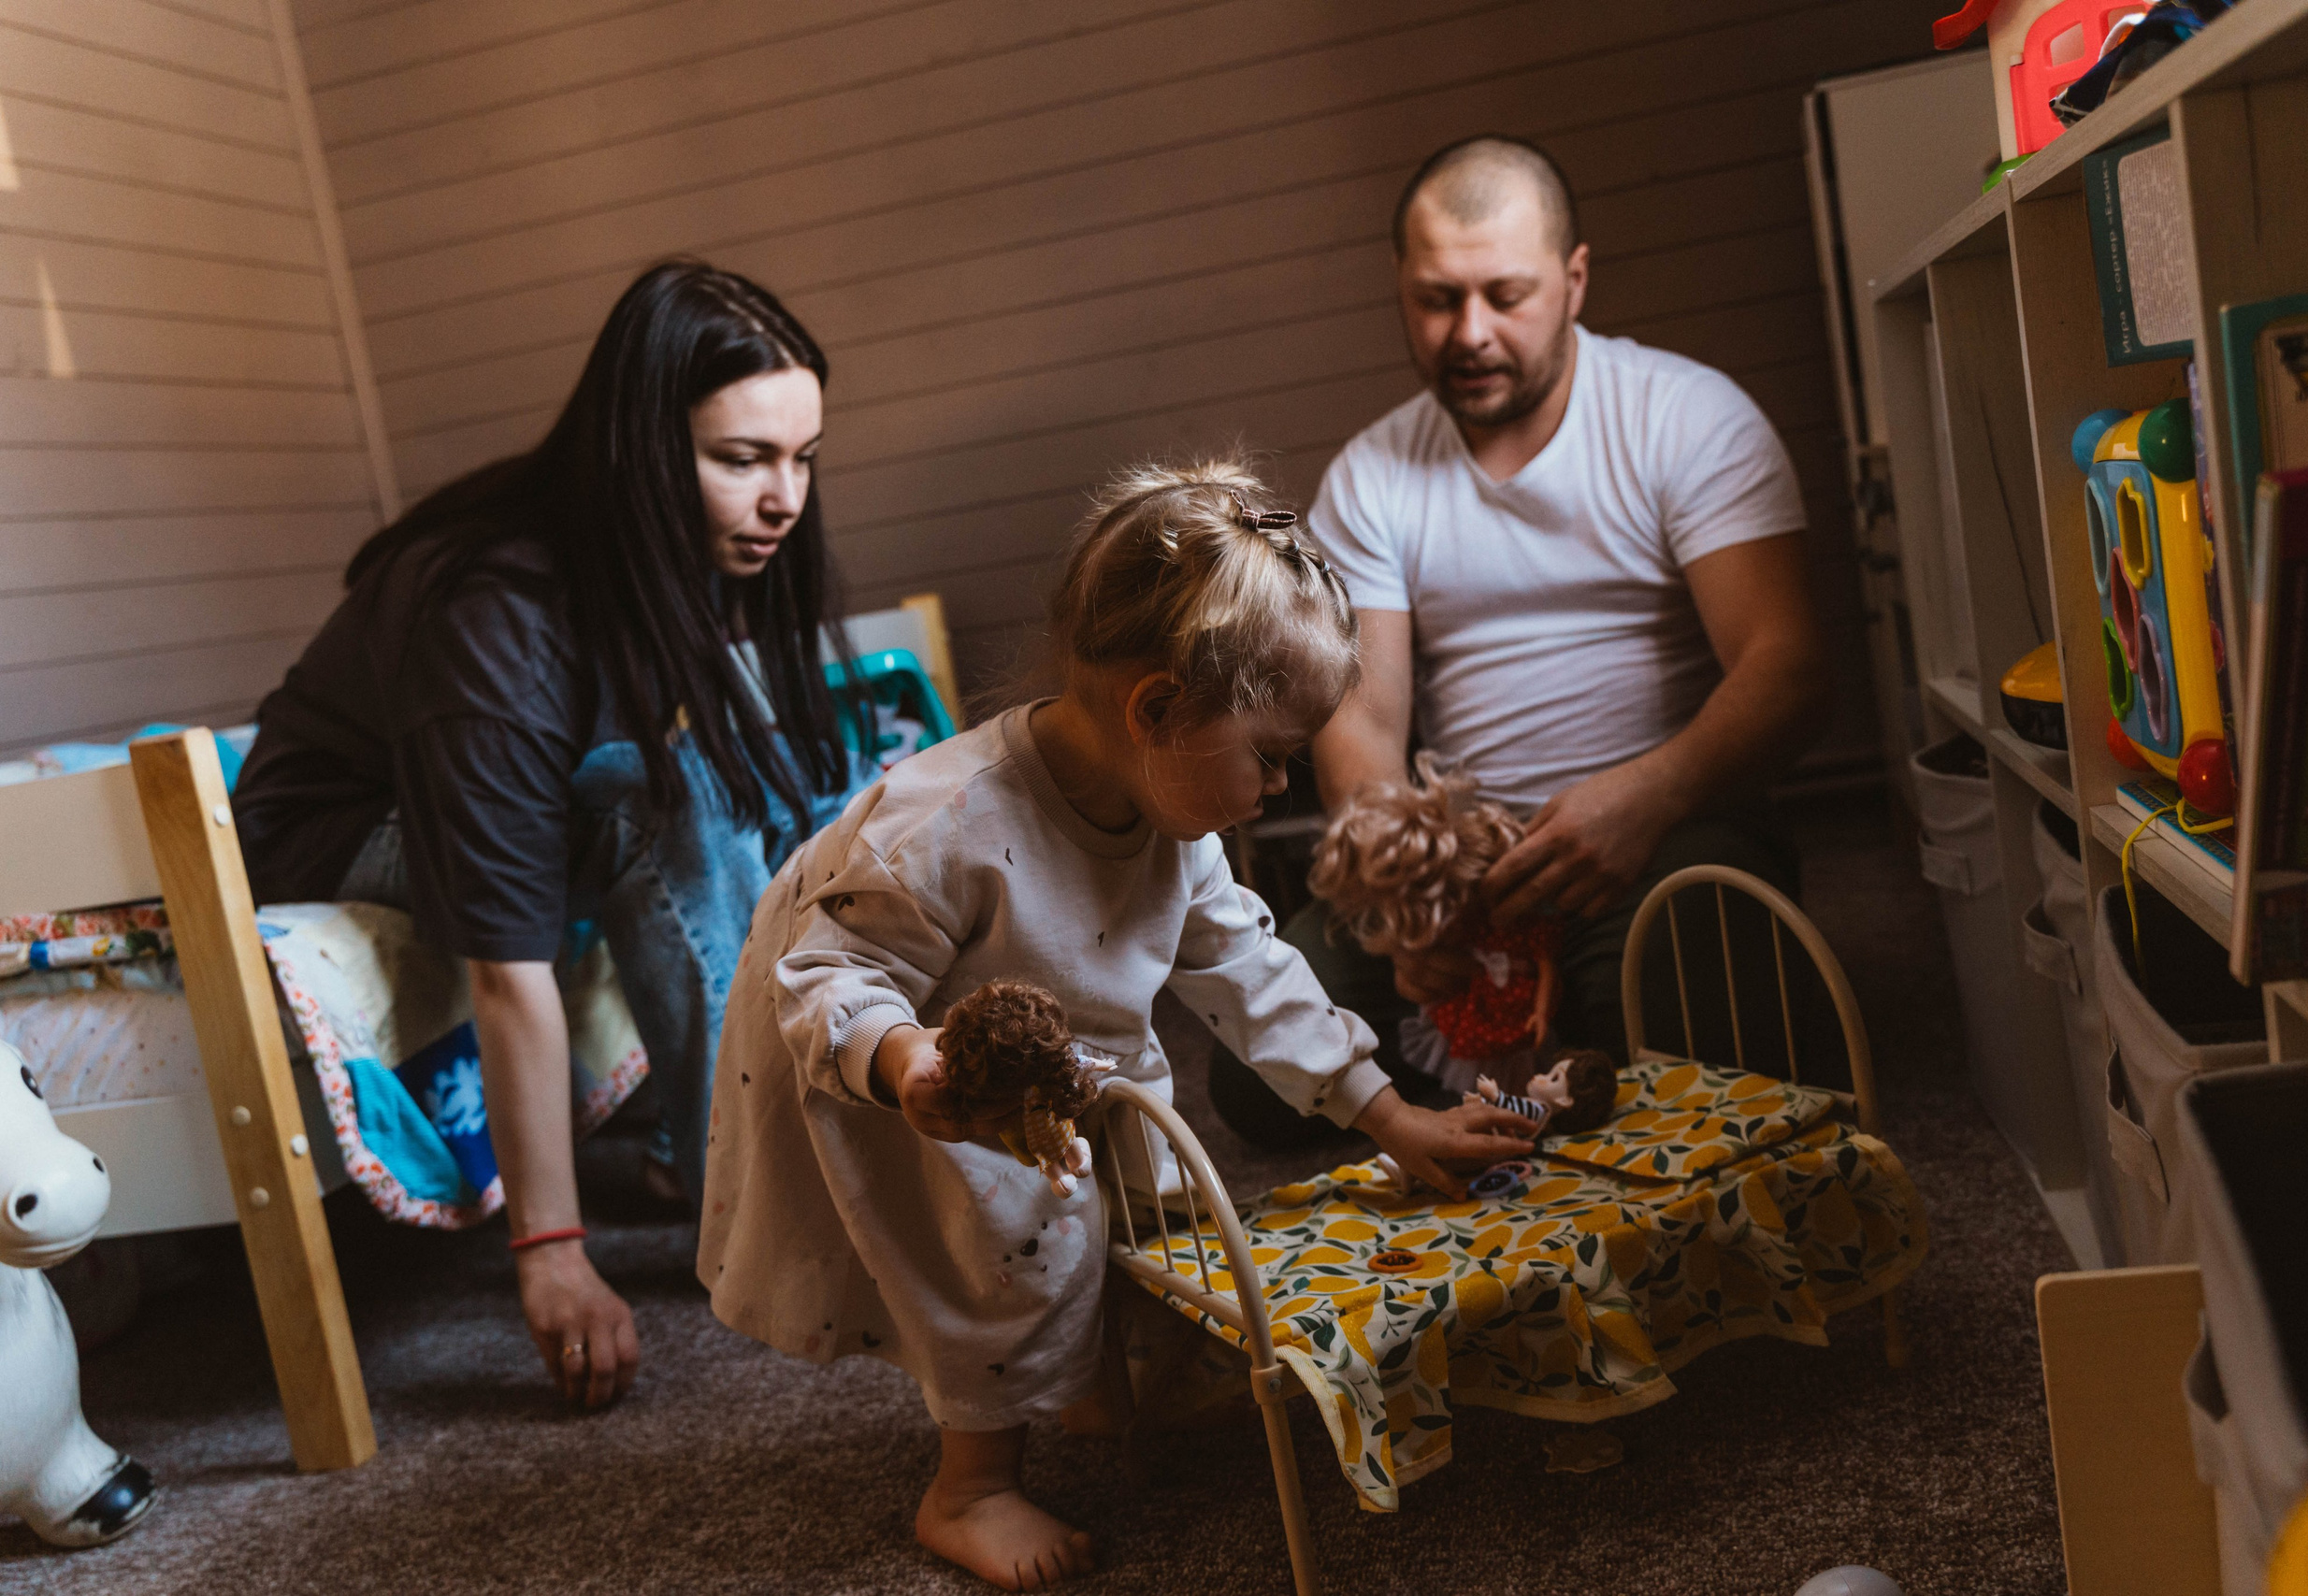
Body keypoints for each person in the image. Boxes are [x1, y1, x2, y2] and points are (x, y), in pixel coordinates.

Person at [699, 458, 1536, 1590]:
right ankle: (970, 1487)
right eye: (1272, 755)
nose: (1281, 788)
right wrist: (909, 1064)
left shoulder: (1171, 823)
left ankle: (1091, 1377)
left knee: (1134, 1198)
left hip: (1057, 1047)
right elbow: (827, 975)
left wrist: (1389, 1115)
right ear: (1156, 710)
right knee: (1008, 1253)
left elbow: (1250, 966)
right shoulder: (939, 831)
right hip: (899, 1052)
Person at [233, 261, 870, 1409]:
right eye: (742, 460)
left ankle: (711, 1143)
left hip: (453, 791)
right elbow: (506, 967)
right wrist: (553, 1251)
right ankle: (748, 1186)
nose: (785, 499)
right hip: (325, 836)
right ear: (638, 448)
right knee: (664, 800)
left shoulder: (674, 552)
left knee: (751, 781)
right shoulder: (500, 617)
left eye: (802, 458)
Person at [1207, 134, 1830, 1147]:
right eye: (1437, 298)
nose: (1471, 331)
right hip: (1465, 871)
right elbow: (1360, 724)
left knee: (1715, 1007)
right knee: (1252, 1073)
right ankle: (1545, 1060)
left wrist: (1648, 796)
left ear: (1574, 279)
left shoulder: (1688, 419)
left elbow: (1790, 671)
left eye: (1506, 294)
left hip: (1671, 834)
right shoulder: (1372, 476)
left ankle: (1547, 1059)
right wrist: (1411, 899)